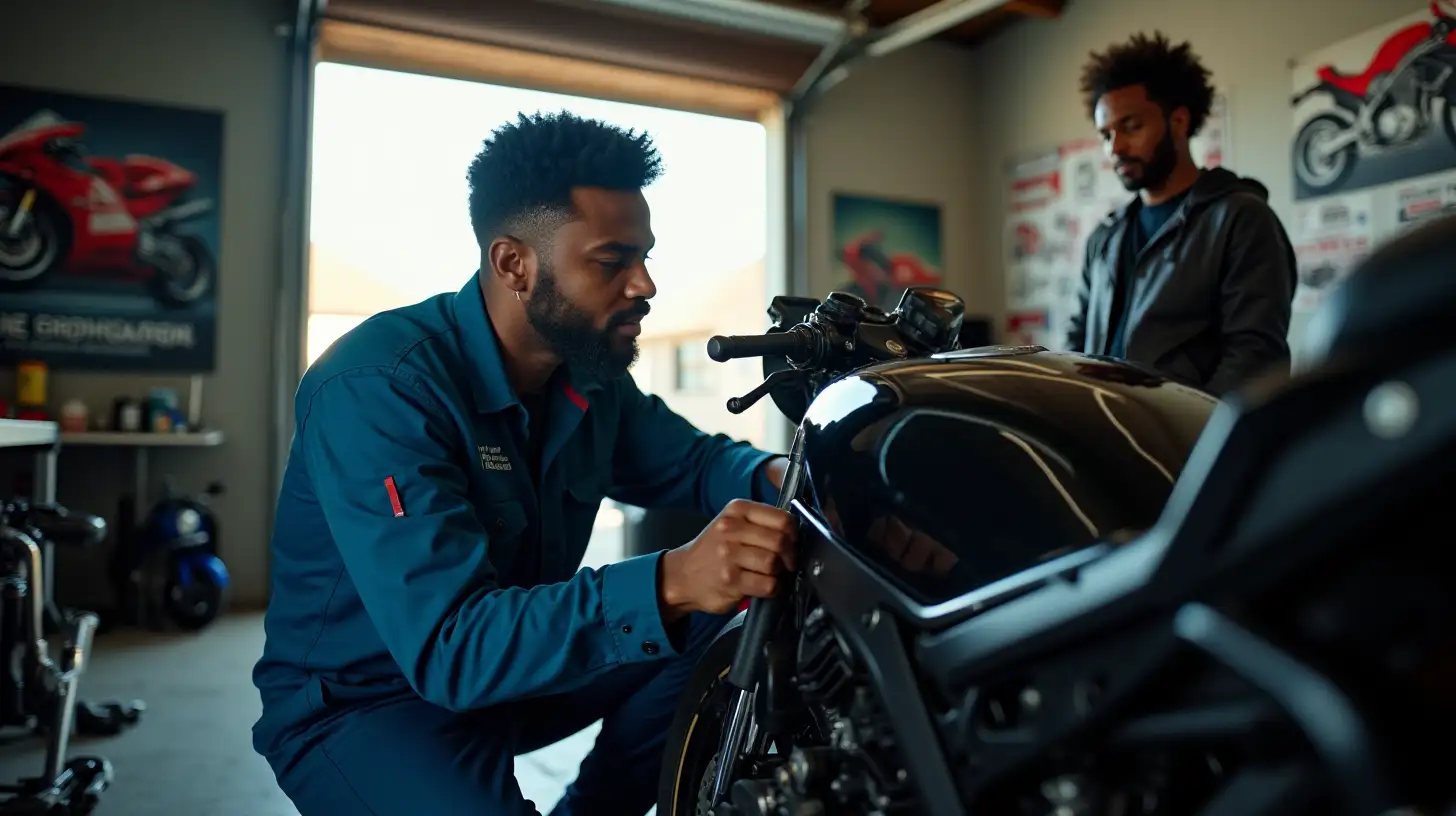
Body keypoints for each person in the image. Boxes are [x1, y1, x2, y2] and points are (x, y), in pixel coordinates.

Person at [251, 111, 796, 816]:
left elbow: (694, 463)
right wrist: (671, 579)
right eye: (612, 261)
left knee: (729, 621)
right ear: (514, 264)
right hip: (368, 705)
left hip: (516, 673)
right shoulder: (378, 390)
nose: (645, 285)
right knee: (682, 598)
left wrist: (787, 476)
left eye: (646, 257)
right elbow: (450, 648)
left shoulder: (589, 377)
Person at [1066, 32, 1297, 396]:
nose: (1116, 148)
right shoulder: (1104, 238)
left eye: (1131, 126)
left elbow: (1254, 361)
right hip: (1103, 439)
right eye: (1106, 134)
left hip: (1181, 445)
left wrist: (1184, 441)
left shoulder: (1241, 218)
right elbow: (1075, 344)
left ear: (1179, 121)